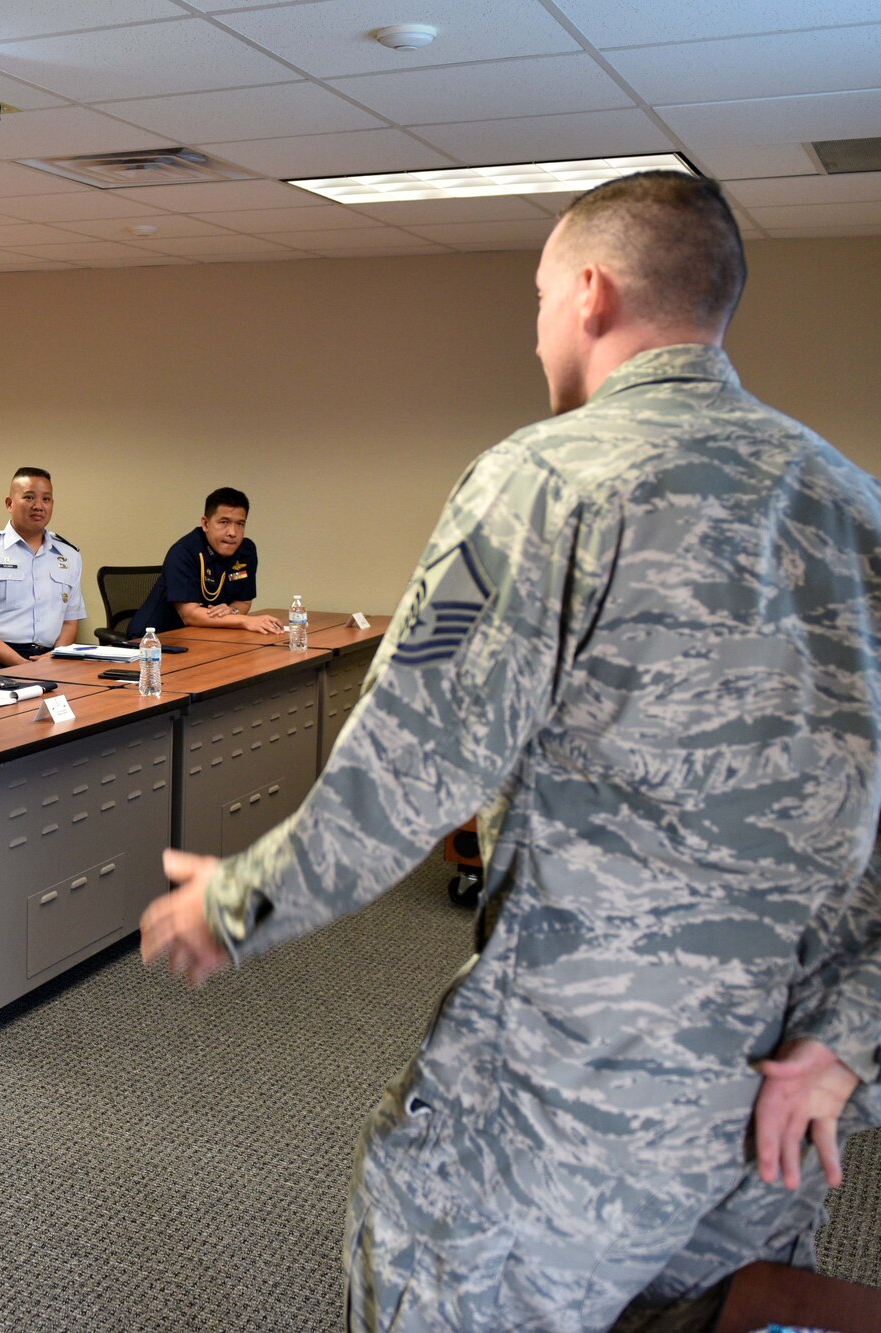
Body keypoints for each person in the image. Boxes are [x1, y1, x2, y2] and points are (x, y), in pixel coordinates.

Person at [137, 172, 881, 1330]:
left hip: (565, 1087)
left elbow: (408, 760)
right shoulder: (853, 505)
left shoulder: (542, 479)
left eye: (536, 294)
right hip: (771, 1102)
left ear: (588, 293)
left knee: (428, 1265)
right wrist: (849, 1037)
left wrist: (237, 901)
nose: (533, 323)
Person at [0, 467, 85, 666]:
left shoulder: (69, 555)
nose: (38, 506)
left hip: (50, 659)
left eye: (46, 499)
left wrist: (54, 658)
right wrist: (23, 666)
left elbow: (70, 622)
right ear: (10, 504)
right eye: (29, 498)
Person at [128, 487, 282, 636]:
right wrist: (245, 621)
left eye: (240, 524)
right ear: (206, 524)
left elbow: (243, 601)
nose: (232, 533)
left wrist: (232, 611)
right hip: (154, 640)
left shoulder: (245, 550)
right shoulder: (184, 552)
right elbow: (190, 615)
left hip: (205, 634)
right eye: (224, 522)